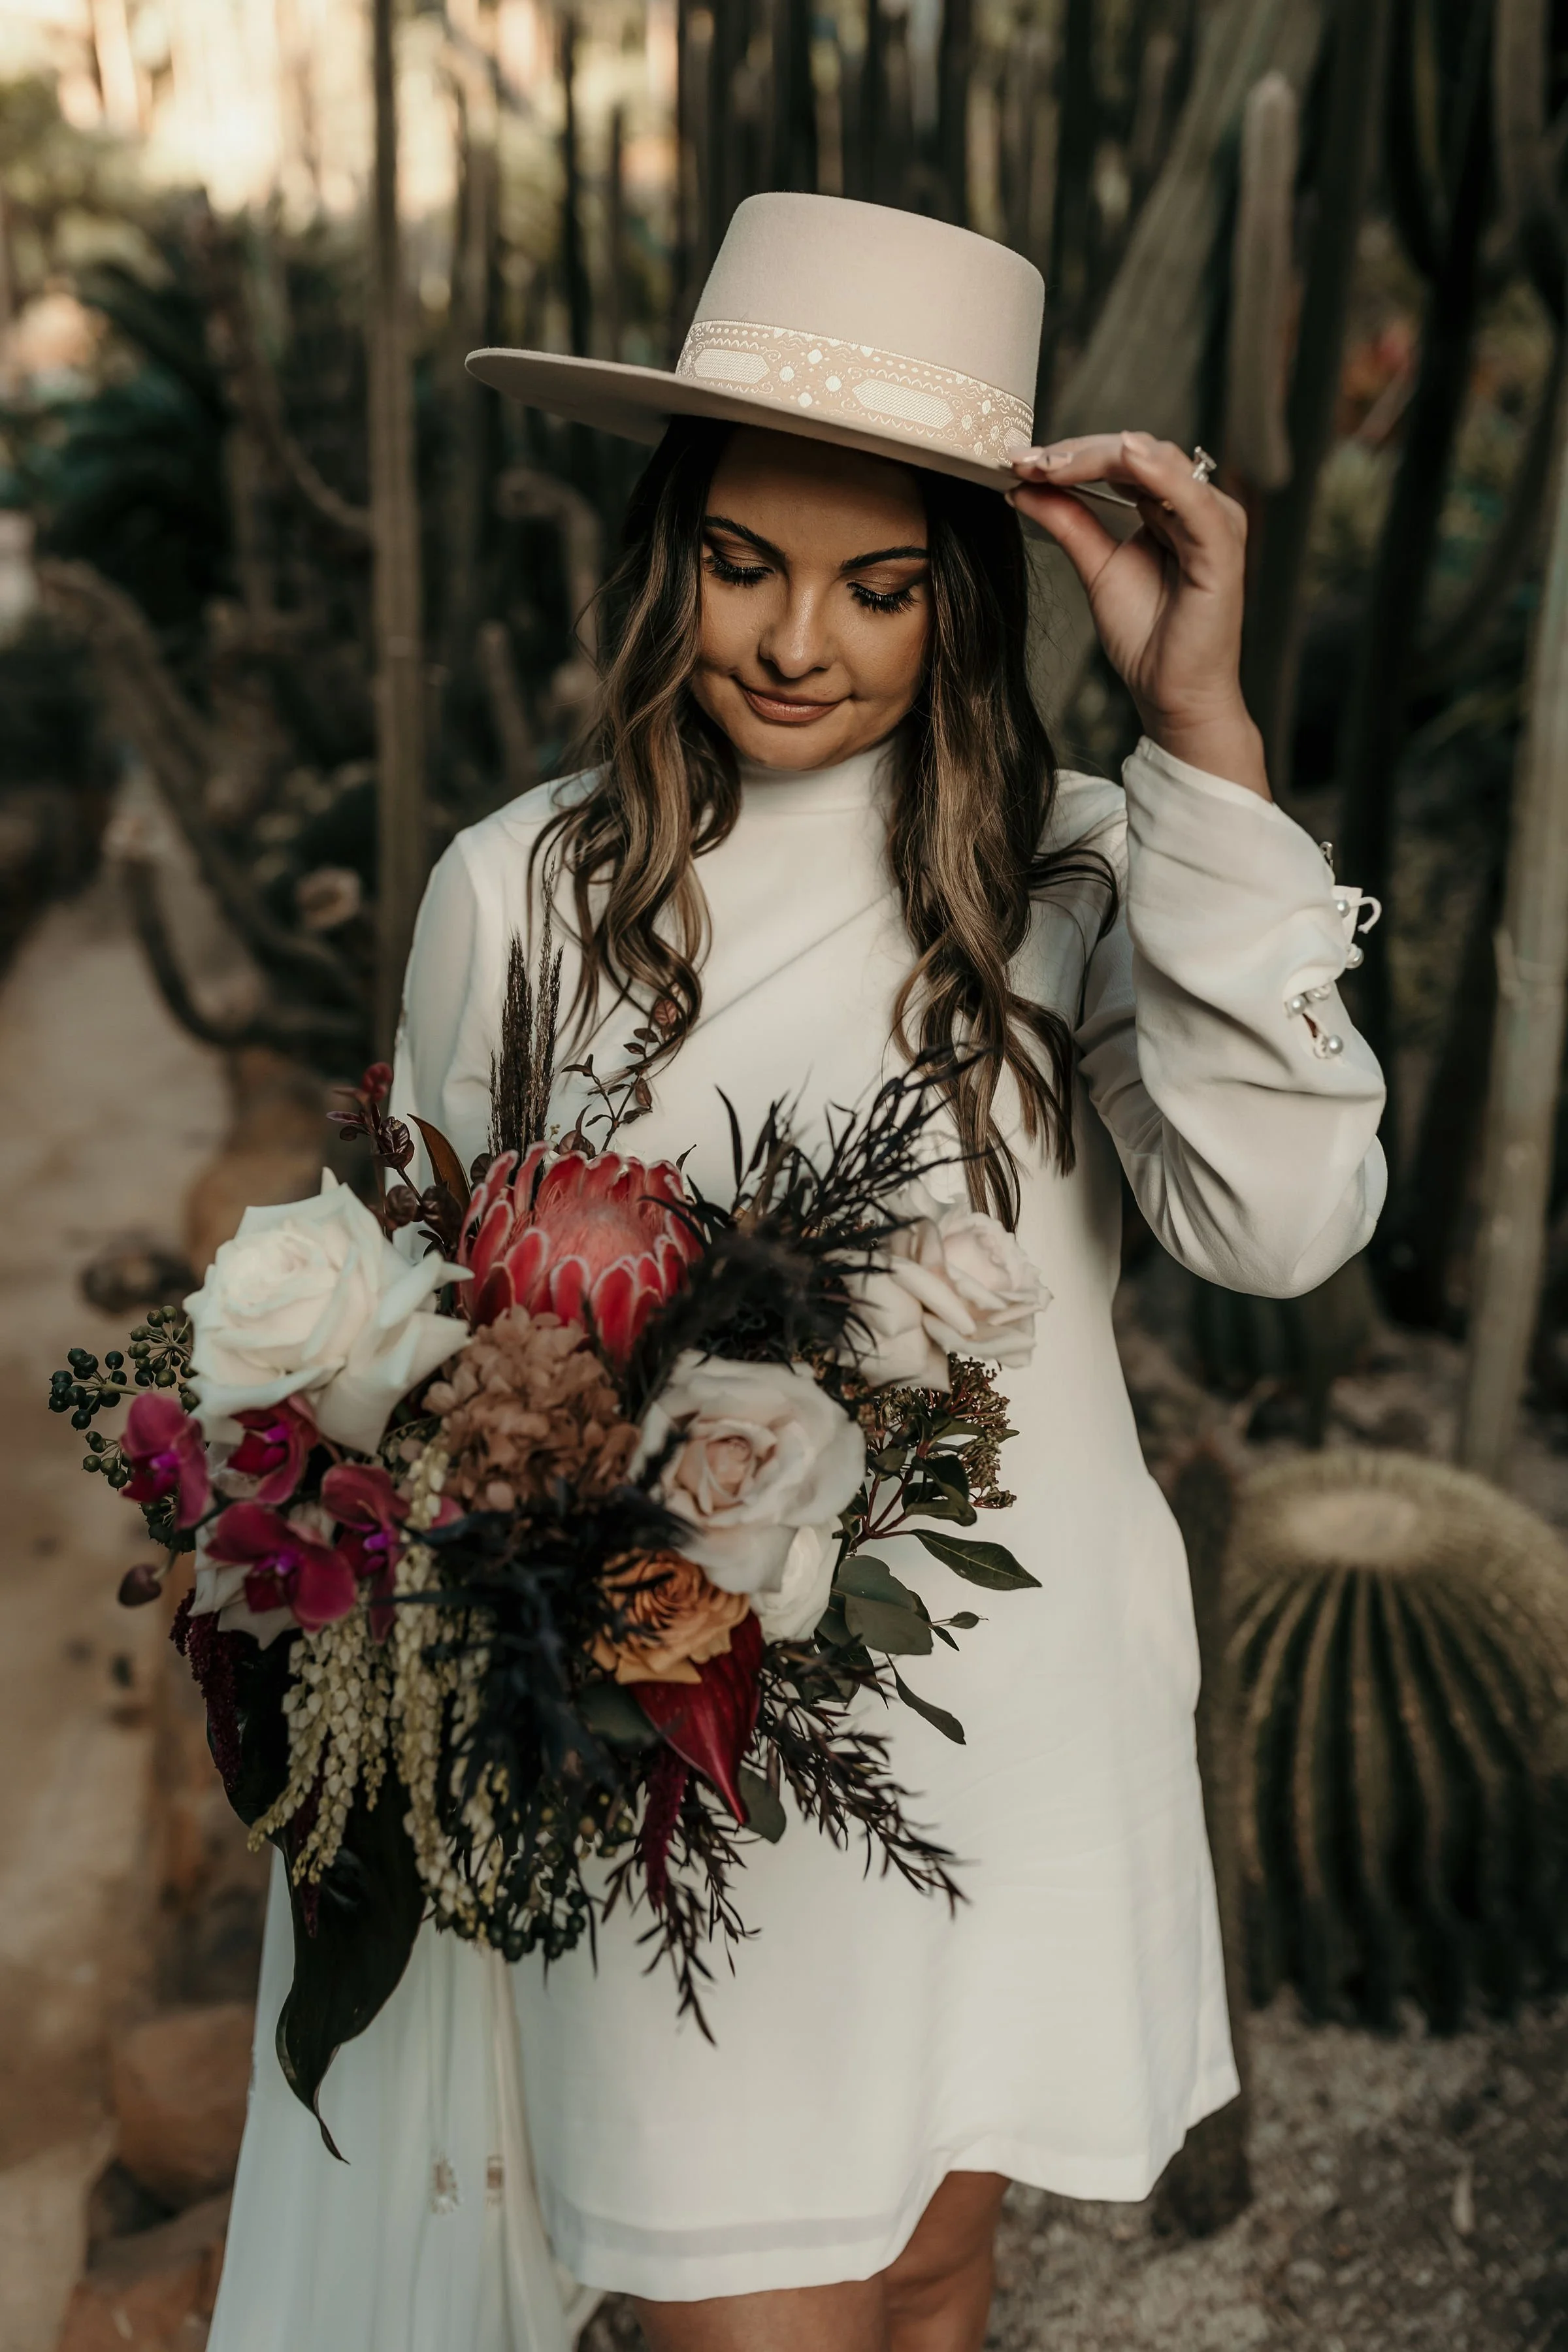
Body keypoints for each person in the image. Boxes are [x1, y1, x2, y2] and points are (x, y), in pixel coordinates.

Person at [208, 193, 1384, 2352]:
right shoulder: (523, 890)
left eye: (876, 586)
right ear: (671, 553)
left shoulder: (1081, 877)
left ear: (962, 601)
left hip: (1008, 1737)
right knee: (752, 2312)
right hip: (684, 1762)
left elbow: (1284, 1226)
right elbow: (410, 1327)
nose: (794, 642)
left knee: (935, 2281)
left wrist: (1197, 726)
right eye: (746, 564)